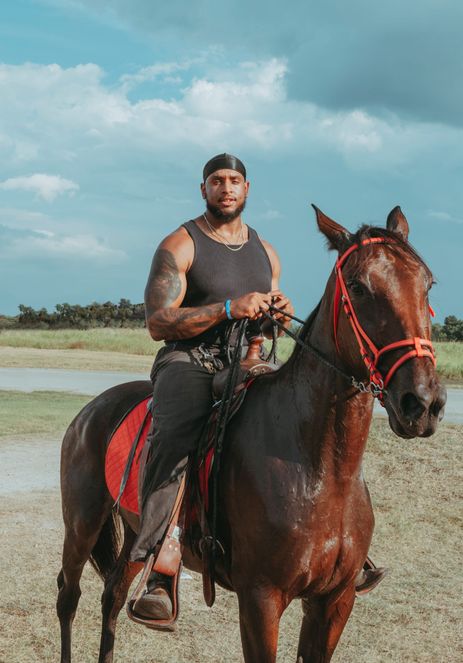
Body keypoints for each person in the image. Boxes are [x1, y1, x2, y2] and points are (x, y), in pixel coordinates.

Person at [130, 153, 384, 622]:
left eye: (234, 181)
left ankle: (342, 546)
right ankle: (159, 565)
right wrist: (228, 308)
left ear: (247, 189)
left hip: (247, 360)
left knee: (305, 421)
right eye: (216, 181)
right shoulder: (180, 244)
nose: (226, 189)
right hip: (190, 361)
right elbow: (157, 321)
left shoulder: (265, 251)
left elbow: (267, 319)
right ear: (202, 189)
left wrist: (278, 313)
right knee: (176, 439)